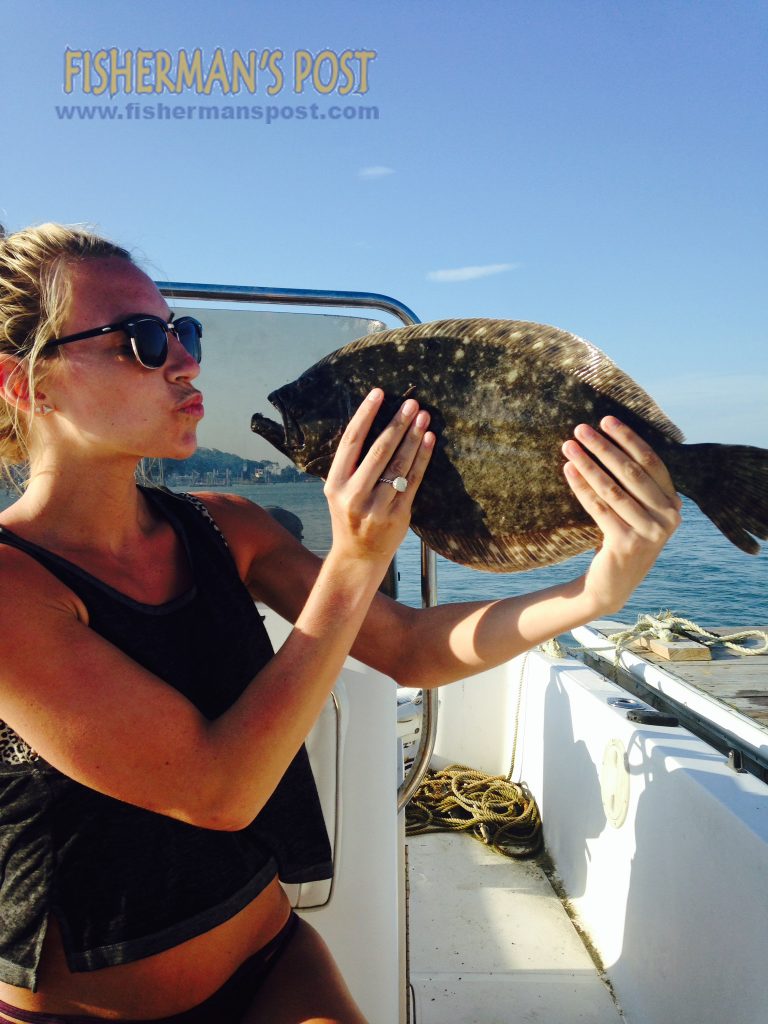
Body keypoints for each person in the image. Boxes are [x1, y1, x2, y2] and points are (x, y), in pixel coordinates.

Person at [0, 222, 681, 1024]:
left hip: (271, 957)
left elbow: (407, 646)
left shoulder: (228, 527)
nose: (185, 360)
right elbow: (219, 790)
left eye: (184, 330)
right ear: (26, 385)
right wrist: (357, 558)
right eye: (143, 340)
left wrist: (591, 594)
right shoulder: (16, 586)